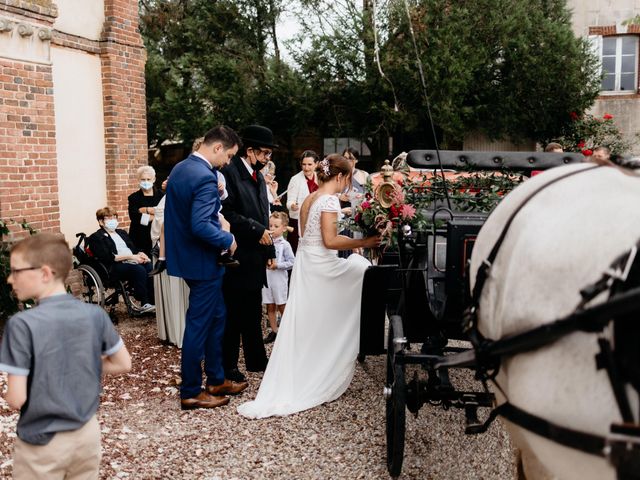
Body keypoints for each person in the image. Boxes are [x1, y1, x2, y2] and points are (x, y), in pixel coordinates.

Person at [237, 154, 381, 419]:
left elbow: (307, 236)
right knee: (362, 268)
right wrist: (365, 243)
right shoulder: (328, 200)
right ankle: (341, 351)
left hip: (307, 263)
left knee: (311, 318)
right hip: (321, 265)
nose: (347, 185)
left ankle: (322, 356)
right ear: (340, 177)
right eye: (348, 179)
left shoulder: (310, 197)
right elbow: (329, 241)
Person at [0, 233, 131, 479]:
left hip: (41, 441)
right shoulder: (95, 315)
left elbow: (17, 398)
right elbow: (123, 363)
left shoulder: (22, 324)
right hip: (87, 435)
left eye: (16, 271)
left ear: (45, 273)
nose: (10, 278)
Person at [164, 125, 248, 410]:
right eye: (229, 156)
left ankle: (216, 378)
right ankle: (190, 390)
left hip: (188, 257)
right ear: (217, 148)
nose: (228, 163)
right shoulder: (202, 176)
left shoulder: (181, 168)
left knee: (217, 317)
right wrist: (228, 238)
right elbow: (200, 224)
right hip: (202, 260)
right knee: (199, 325)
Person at [221, 124, 278, 383]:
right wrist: (255, 230)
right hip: (237, 252)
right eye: (265, 154)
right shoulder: (230, 173)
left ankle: (256, 359)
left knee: (253, 309)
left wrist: (270, 248)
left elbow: (264, 214)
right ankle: (228, 366)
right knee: (233, 313)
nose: (267, 160)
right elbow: (227, 212)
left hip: (256, 253)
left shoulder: (258, 176)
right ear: (250, 151)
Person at [88, 207, 155, 313]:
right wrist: (130, 257)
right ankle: (144, 301)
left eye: (114, 217)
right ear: (101, 221)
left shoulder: (121, 233)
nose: (112, 220)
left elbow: (133, 248)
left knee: (149, 266)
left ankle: (153, 300)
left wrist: (140, 254)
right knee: (138, 270)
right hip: (113, 266)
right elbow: (107, 257)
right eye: (108, 218)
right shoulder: (96, 237)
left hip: (131, 260)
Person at [150, 178, 188, 347]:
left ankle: (186, 331)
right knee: (174, 295)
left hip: (186, 251)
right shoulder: (165, 202)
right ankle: (175, 332)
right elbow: (160, 227)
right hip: (170, 251)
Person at [261, 211, 295, 344]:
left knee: (281, 305)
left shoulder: (285, 245)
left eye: (276, 226)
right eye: (270, 225)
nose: (272, 229)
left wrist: (278, 265)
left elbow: (292, 262)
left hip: (279, 280)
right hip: (267, 280)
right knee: (270, 306)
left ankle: (287, 331)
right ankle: (275, 331)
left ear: (284, 228)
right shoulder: (265, 241)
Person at [286, 150, 319, 252]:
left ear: (316, 164)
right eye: (304, 164)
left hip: (315, 221)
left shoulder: (321, 178)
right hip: (298, 220)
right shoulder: (295, 179)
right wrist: (292, 206)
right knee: (297, 250)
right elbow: (289, 201)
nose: (306, 168)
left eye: (309, 164)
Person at [127, 165, 163, 256]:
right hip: (139, 237)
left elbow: (166, 213)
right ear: (138, 180)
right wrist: (156, 214)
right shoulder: (133, 198)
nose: (146, 182)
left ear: (154, 179)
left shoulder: (161, 196)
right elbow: (135, 218)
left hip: (158, 235)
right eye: (143, 179)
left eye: (148, 179)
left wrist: (145, 210)